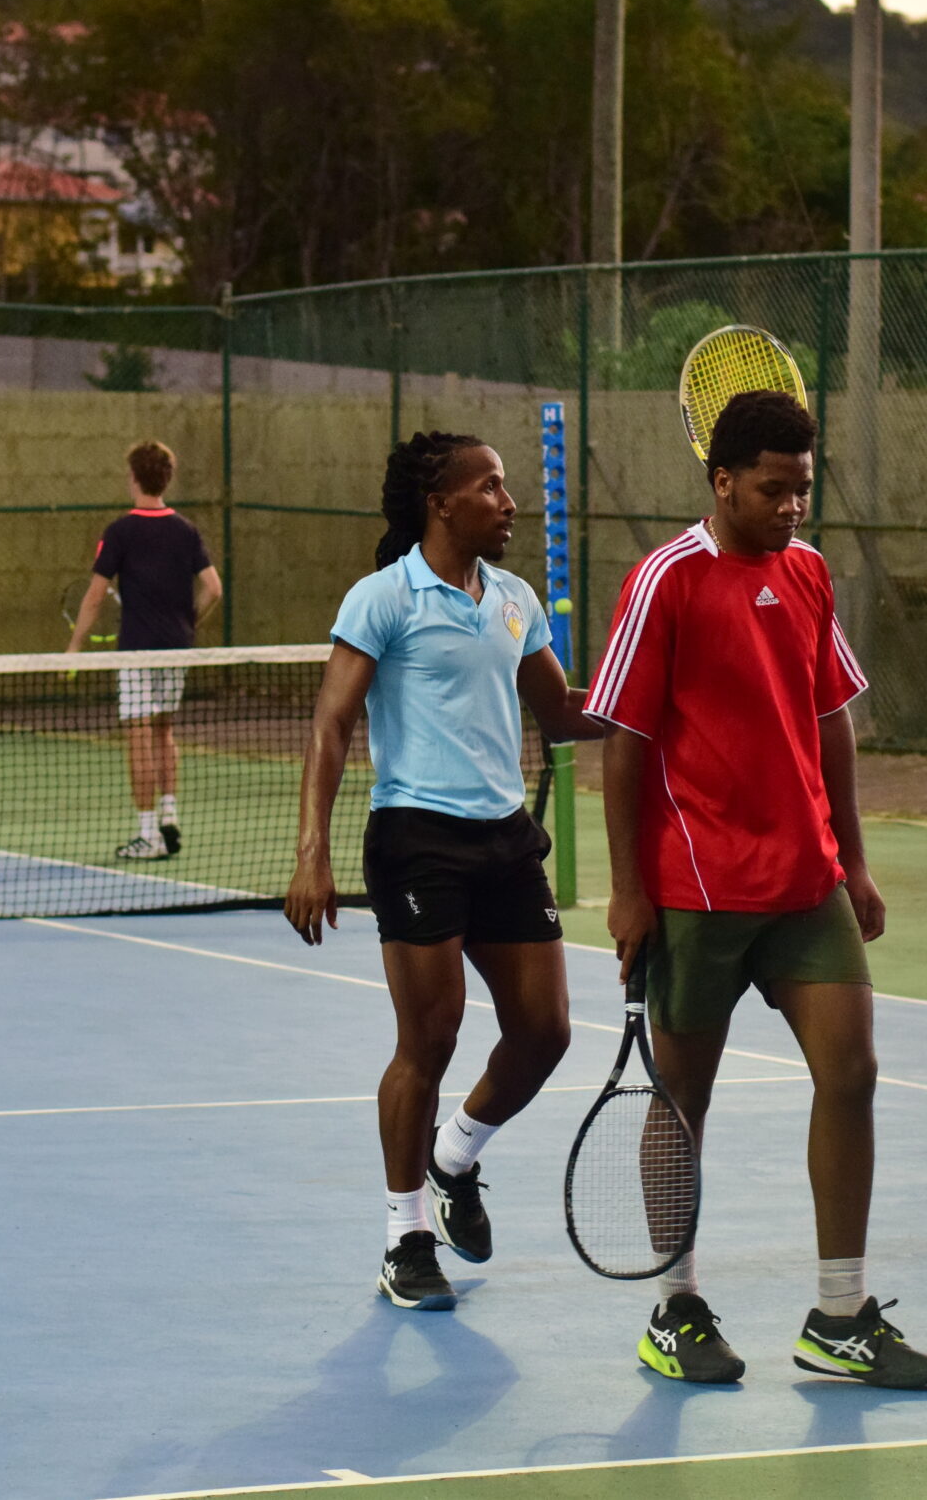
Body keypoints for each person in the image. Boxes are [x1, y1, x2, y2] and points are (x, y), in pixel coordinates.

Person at [585, 390, 927, 1390]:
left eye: (802, 489)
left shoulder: (808, 573)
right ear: (722, 481)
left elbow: (829, 718)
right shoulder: (664, 579)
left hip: (805, 885)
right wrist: (627, 891)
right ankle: (675, 1308)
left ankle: (839, 1316)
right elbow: (624, 740)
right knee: (682, 1099)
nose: (791, 506)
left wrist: (854, 861)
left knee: (852, 1073)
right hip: (696, 888)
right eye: (773, 488)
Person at [285, 431, 601, 1312]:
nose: (509, 501)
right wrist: (312, 852)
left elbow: (561, 713)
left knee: (545, 1030)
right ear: (441, 503)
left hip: (505, 840)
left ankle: (455, 1153)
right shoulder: (383, 598)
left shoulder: (514, 599)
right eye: (490, 485)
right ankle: (406, 1237)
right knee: (430, 1039)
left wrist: (658, 705)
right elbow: (331, 726)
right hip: (417, 838)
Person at [64, 439, 222, 861]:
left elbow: (94, 597)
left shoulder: (120, 531)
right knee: (164, 731)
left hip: (136, 653)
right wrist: (188, 624)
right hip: (176, 650)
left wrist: (74, 647)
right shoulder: (186, 530)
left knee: (137, 735)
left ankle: (149, 833)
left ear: (133, 478)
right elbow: (213, 588)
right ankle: (169, 813)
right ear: (166, 479)